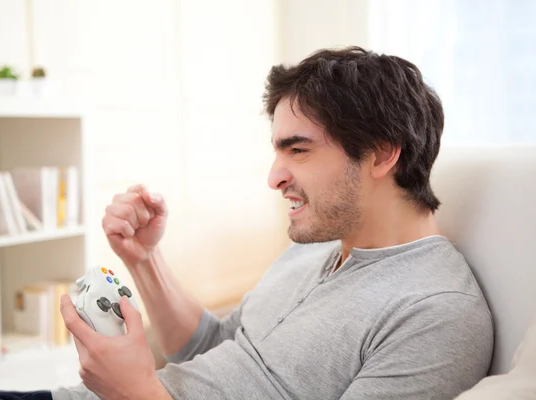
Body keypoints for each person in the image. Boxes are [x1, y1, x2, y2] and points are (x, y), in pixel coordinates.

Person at [49, 46, 494, 399]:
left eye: (297, 150)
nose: (274, 177)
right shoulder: (315, 247)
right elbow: (210, 346)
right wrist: (145, 258)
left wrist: (135, 393)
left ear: (380, 153)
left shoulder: (436, 313)